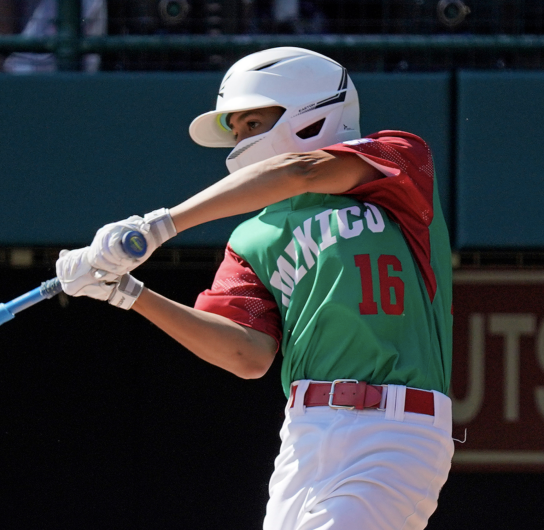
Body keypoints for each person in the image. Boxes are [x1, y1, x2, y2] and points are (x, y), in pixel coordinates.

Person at [55, 47, 453, 530]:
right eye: (236, 129)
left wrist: (158, 227)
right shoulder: (252, 237)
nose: (240, 141)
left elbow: (299, 171)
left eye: (253, 123)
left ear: (312, 112)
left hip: (396, 427)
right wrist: (129, 293)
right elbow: (247, 355)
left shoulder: (397, 158)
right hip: (304, 437)